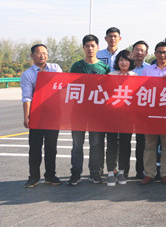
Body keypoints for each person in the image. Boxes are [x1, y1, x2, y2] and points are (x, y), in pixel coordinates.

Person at [67, 34, 110, 186]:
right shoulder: (76, 66)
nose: (90, 49)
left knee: (96, 144)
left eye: (93, 46)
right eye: (87, 46)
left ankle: (95, 172)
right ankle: (76, 173)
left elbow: (108, 90)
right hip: (78, 112)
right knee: (77, 145)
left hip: (97, 114)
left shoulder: (104, 68)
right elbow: (70, 87)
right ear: (83, 48)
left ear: (98, 47)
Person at [20, 44, 63, 188]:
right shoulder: (27, 74)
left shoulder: (55, 68)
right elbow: (27, 97)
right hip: (36, 114)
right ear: (32, 56)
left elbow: (62, 86)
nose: (42, 56)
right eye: (38, 53)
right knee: (35, 147)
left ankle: (50, 175)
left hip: (53, 115)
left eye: (44, 53)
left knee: (51, 147)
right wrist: (26, 116)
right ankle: (33, 177)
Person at [140, 41, 166, 185]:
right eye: (159, 52)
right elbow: (143, 89)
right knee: (150, 144)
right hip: (151, 112)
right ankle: (149, 174)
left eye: (164, 52)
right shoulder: (148, 70)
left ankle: (165, 173)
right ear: (155, 54)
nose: (162, 55)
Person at [105, 50, 136, 186]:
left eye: (126, 60)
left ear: (131, 62)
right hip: (111, 116)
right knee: (111, 144)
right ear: (117, 62)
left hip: (127, 117)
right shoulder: (110, 76)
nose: (124, 63)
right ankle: (111, 172)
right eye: (121, 60)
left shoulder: (136, 77)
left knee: (125, 144)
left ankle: (122, 172)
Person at [130, 40, 149, 178]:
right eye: (137, 49)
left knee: (142, 142)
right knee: (123, 141)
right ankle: (122, 170)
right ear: (132, 52)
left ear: (146, 53)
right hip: (127, 109)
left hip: (143, 110)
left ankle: (140, 170)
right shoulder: (126, 66)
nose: (139, 52)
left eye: (142, 50)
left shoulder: (150, 69)